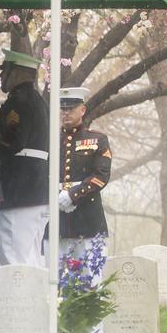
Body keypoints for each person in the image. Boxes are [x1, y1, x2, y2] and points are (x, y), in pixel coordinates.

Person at [0, 48, 49, 267]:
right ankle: (35, 302)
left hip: (20, 189)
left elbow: (12, 142)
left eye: (4, 71)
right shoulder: (39, 101)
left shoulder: (19, 101)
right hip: (36, 190)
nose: (0, 76)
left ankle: (22, 302)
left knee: (14, 258)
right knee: (29, 259)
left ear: (17, 73)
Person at [56, 86, 112, 274]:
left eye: (71, 108)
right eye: (63, 109)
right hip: (57, 220)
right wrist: (57, 196)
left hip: (88, 218)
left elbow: (101, 175)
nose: (66, 113)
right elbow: (40, 174)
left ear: (82, 110)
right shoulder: (51, 141)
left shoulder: (97, 140)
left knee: (90, 280)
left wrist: (73, 195)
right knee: (55, 280)